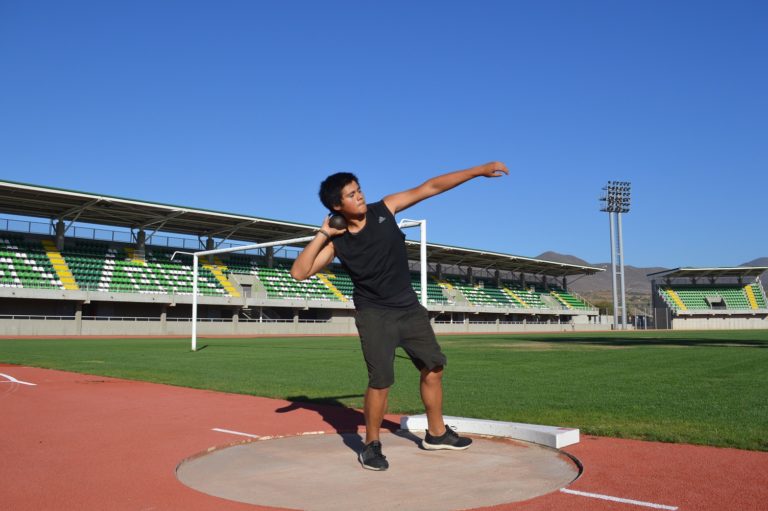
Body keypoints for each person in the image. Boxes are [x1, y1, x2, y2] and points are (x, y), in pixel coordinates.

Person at [290, 161, 509, 470]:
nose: (360, 197)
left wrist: (476, 171)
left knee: (434, 367)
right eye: (352, 195)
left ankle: (436, 433)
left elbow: (430, 187)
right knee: (380, 381)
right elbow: (299, 273)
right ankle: (371, 444)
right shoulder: (337, 243)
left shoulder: (386, 209)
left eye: (359, 190)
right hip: (374, 315)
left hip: (409, 309)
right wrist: (322, 234)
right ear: (337, 206)